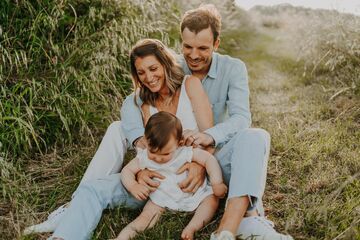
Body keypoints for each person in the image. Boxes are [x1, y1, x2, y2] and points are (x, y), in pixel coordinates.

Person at [26, 4, 293, 240]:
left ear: (216, 44)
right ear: (180, 45)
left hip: (214, 156)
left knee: (255, 135)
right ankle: (73, 209)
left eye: (202, 48)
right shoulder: (167, 66)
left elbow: (240, 118)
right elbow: (133, 100)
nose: (194, 55)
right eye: (187, 47)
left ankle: (249, 216)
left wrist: (203, 153)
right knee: (117, 128)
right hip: (162, 162)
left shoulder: (229, 70)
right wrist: (142, 156)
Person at [116, 111, 227, 240]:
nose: (158, 158)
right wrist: (133, 186)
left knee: (212, 200)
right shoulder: (144, 156)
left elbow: (208, 159)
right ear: (146, 140)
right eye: (153, 152)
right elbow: (127, 171)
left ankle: (192, 228)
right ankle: (121, 238)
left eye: (165, 154)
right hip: (162, 198)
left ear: (179, 143)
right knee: (145, 217)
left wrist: (216, 182)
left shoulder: (184, 152)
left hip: (194, 193)